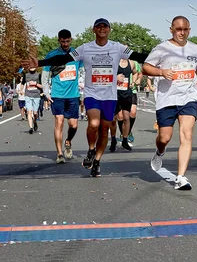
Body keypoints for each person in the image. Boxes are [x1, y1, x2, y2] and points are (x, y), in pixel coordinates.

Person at [22, 18, 148, 177]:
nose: (102, 29)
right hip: (92, 94)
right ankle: (91, 150)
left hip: (109, 96)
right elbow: (64, 59)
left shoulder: (117, 47)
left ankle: (97, 161)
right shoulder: (85, 48)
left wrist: (161, 57)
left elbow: (139, 56)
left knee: (104, 130)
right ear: (93, 30)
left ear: (109, 30)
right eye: (98, 26)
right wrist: (40, 62)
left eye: (105, 26)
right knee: (94, 124)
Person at [143, 16, 197, 191]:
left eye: (185, 29)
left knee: (186, 135)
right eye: (178, 29)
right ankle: (160, 151)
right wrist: (161, 72)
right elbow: (145, 67)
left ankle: (180, 177)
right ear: (171, 29)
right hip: (167, 98)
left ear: (189, 30)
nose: (182, 32)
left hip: (188, 97)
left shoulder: (196, 49)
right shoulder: (162, 49)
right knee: (164, 137)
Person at [41, 29, 83, 164]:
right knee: (59, 122)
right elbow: (45, 74)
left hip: (73, 95)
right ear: (59, 40)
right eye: (63, 41)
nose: (65, 44)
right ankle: (59, 153)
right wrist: (46, 93)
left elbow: (85, 68)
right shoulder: (52, 55)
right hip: (57, 95)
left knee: (73, 125)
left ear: (71, 40)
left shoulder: (76, 54)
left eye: (67, 41)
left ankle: (68, 141)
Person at [108, 58, 138, 152]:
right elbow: (106, 74)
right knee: (113, 120)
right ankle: (113, 140)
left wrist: (133, 81)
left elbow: (135, 72)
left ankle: (125, 140)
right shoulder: (114, 62)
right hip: (114, 94)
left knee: (126, 118)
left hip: (126, 94)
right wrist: (115, 78)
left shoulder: (132, 63)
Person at [22, 68, 43, 133]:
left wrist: (35, 84)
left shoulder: (39, 75)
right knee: (29, 112)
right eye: (30, 66)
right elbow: (22, 84)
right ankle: (31, 128)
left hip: (36, 96)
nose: (31, 67)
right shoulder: (26, 75)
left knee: (35, 113)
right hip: (28, 95)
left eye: (33, 66)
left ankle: (35, 122)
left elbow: (42, 86)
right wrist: (21, 90)